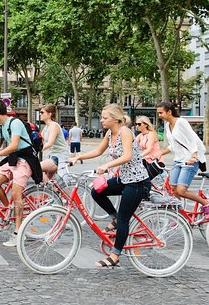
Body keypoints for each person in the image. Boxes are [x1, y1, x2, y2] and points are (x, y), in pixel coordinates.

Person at [69, 104, 151, 269]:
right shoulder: (109, 133)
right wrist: (78, 157)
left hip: (137, 182)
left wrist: (106, 166)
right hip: (124, 179)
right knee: (96, 192)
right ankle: (113, 216)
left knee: (123, 219)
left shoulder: (125, 132)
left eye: (105, 118)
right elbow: (98, 150)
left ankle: (115, 256)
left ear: (115, 119)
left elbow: (127, 156)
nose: (101, 120)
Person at [0, 100, 42, 247]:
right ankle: (9, 210)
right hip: (13, 158)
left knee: (15, 195)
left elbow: (14, 145)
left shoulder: (15, 123)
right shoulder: (2, 126)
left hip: (25, 159)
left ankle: (19, 233)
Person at [157, 101, 209, 218]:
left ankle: (206, 203)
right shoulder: (167, 126)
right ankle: (180, 215)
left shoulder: (181, 122)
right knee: (173, 189)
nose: (159, 115)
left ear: (169, 112)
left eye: (161, 113)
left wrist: (194, 156)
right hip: (178, 159)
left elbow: (192, 139)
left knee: (181, 191)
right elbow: (173, 145)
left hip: (191, 159)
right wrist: (160, 153)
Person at [39, 104, 70, 181]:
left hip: (60, 156)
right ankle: (50, 190)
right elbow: (39, 139)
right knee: (45, 180)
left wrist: (39, 149)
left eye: (42, 112)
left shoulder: (54, 125)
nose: (40, 114)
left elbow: (50, 143)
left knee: (37, 168)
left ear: (49, 114)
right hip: (52, 156)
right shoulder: (46, 127)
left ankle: (53, 190)